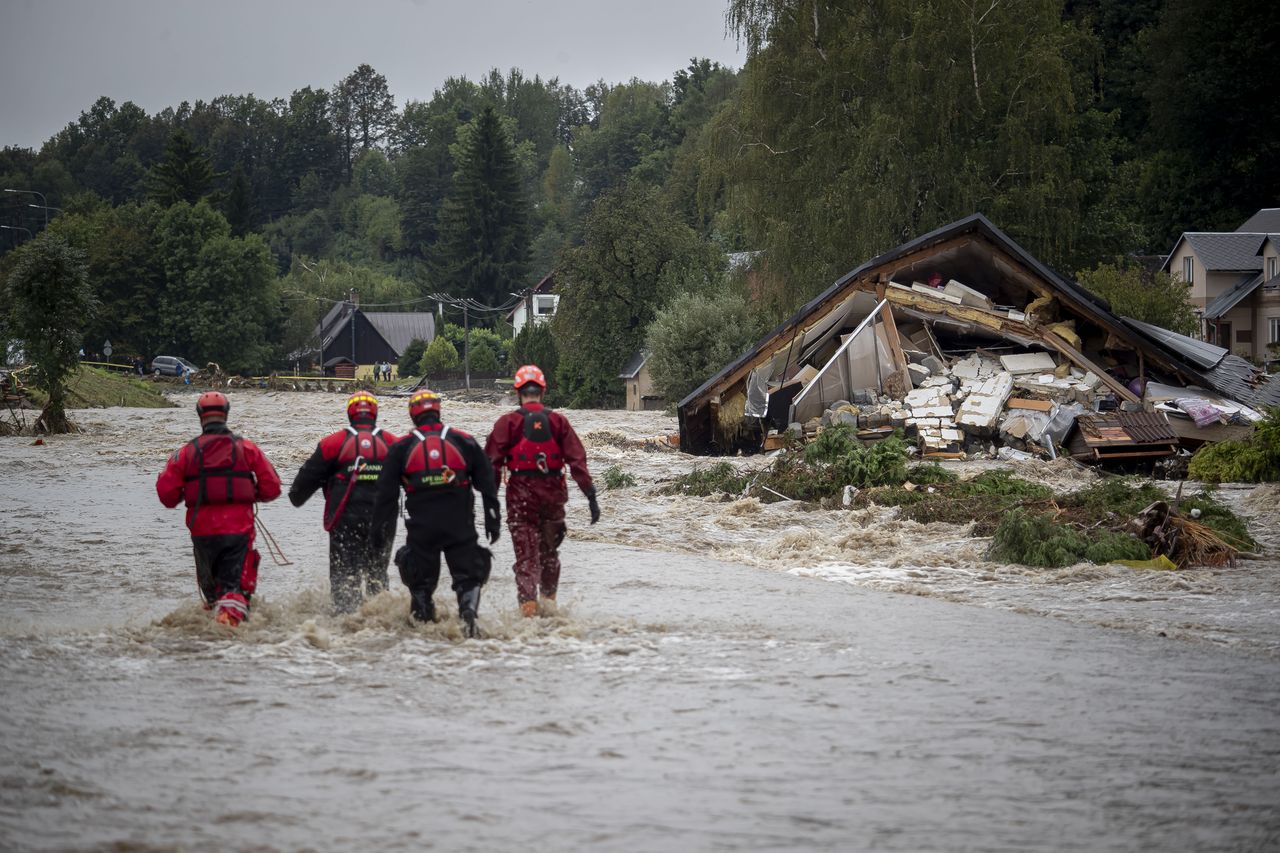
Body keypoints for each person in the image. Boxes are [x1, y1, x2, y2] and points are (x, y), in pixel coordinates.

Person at [370, 390, 500, 636]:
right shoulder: (464, 441)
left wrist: (379, 532)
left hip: (422, 530)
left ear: (412, 414)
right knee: (469, 578)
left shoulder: (401, 447)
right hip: (460, 525)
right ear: (438, 411)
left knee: (420, 583)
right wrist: (493, 519)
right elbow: (488, 485)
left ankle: (423, 634)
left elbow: (384, 496)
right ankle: (469, 617)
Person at [155, 391, 282, 626]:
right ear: (226, 414)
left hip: (202, 533)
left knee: (213, 593)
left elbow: (167, 496)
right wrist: (249, 494)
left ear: (200, 416)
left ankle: (214, 628)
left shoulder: (183, 453)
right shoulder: (247, 448)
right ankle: (230, 628)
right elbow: (273, 487)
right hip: (238, 531)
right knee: (235, 589)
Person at [485, 364, 599, 618]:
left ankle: (528, 616)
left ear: (518, 392)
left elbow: (491, 464)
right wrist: (591, 496)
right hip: (552, 496)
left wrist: (489, 505)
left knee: (526, 557)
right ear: (542, 391)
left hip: (520, 496)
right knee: (549, 555)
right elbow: (577, 460)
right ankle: (549, 608)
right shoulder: (558, 421)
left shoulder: (508, 422)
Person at [288, 391, 400, 613]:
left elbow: (297, 493)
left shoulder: (332, 444)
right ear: (375, 414)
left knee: (344, 578)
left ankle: (346, 623)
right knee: (377, 575)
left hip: (344, 522)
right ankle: (381, 621)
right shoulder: (394, 444)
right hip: (383, 522)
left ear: (350, 414)